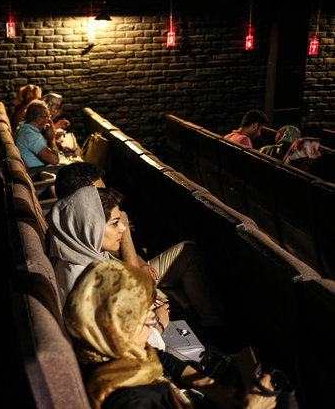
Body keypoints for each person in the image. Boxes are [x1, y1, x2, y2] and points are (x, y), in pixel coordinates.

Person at [63, 260, 278, 409]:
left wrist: (211, 387)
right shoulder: (130, 400)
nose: (153, 323)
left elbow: (157, 354)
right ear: (120, 326)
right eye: (147, 317)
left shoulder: (104, 350)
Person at [48, 185, 224, 331]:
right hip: (148, 347)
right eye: (115, 223)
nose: (123, 228)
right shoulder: (92, 281)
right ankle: (215, 331)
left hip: (142, 315)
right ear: (90, 227)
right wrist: (160, 321)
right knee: (186, 305)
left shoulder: (80, 254)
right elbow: (136, 341)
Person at [15, 100, 61, 170]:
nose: (49, 120)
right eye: (47, 116)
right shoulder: (30, 135)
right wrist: (51, 139)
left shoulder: (25, 128)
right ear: (39, 119)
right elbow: (54, 160)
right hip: (41, 173)